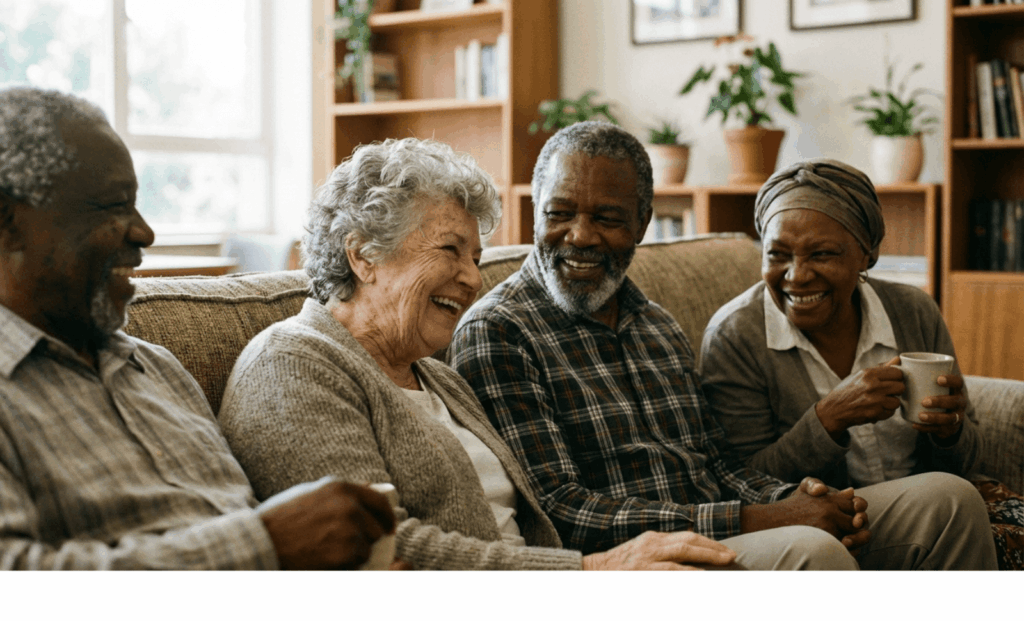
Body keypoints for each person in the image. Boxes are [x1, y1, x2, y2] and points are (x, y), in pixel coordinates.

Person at [449, 120, 997, 570]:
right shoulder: (499, 332)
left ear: (643, 224)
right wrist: (766, 518)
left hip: (724, 522)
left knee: (947, 502)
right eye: (559, 213)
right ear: (535, 211)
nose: (581, 235)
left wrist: (795, 499)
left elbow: (716, 465)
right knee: (813, 549)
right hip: (641, 555)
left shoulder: (656, 325)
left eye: (607, 218)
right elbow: (557, 510)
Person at [218, 137, 740, 570]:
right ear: (363, 255)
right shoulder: (292, 363)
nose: (472, 279)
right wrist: (588, 572)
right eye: (450, 250)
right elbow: (375, 546)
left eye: (476, 256)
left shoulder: (439, 379)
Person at [0, 86, 397, 570]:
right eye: (111, 206)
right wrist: (267, 544)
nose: (145, 232)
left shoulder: (156, 367)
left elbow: (236, 520)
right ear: (9, 225)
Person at [699, 157, 1022, 569]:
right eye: (777, 254)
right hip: (825, 533)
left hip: (923, 512)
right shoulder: (736, 336)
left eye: (822, 253)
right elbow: (739, 483)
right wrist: (827, 419)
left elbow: (969, 463)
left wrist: (951, 431)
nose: (796, 276)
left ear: (867, 254)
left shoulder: (912, 311)